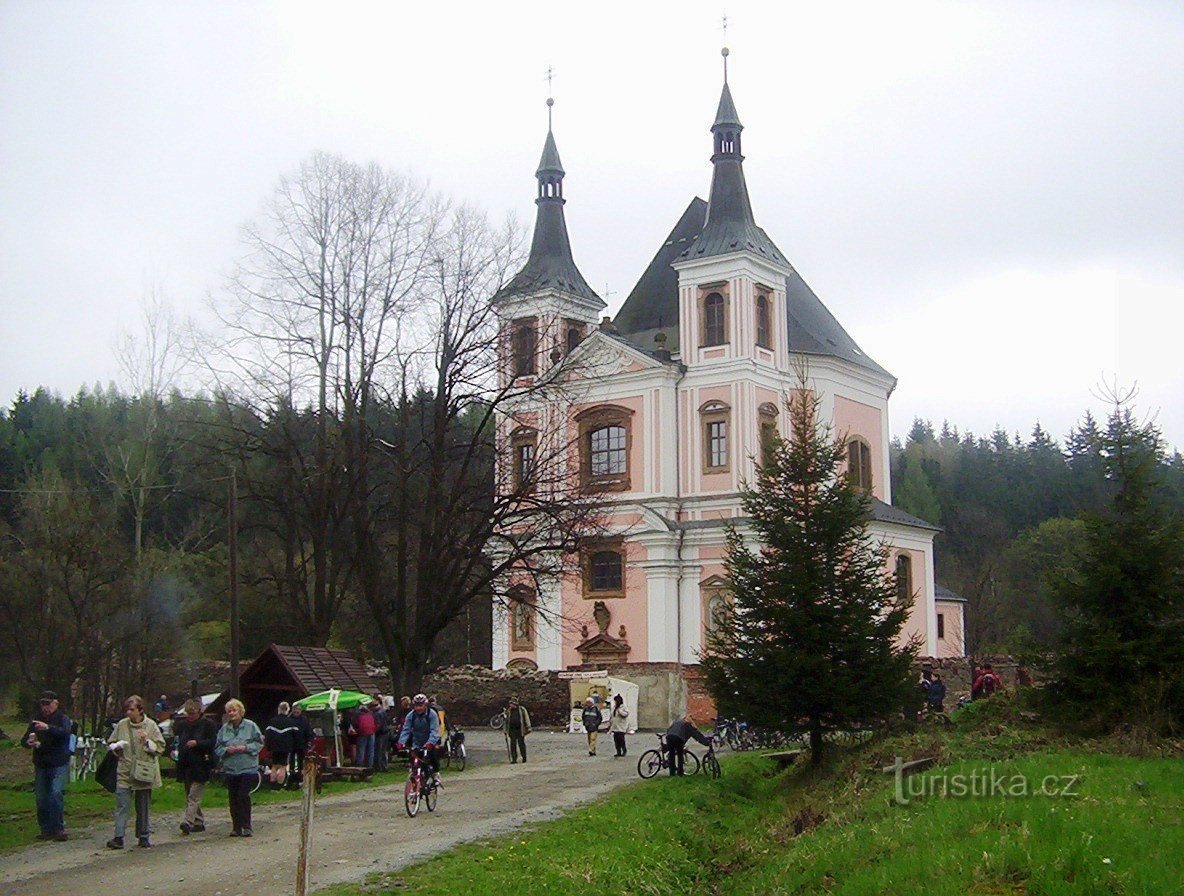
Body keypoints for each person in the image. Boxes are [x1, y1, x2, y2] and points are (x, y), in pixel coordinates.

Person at [105, 694, 165, 849]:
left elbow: (160, 747)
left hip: (143, 770)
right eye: (127, 710)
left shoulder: (151, 726)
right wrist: (116, 747)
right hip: (124, 770)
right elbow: (111, 742)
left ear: (140, 710)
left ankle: (144, 836)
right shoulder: (121, 725)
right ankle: (119, 837)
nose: (128, 713)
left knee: (143, 806)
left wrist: (147, 742)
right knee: (121, 805)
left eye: (132, 709)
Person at [21, 690, 72, 842]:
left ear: (56, 703)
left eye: (48, 704)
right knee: (41, 798)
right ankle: (45, 829)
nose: (45, 707)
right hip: (41, 763)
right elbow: (23, 740)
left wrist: (48, 728)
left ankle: (58, 828)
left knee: (56, 794)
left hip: (58, 763)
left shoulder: (62, 719)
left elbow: (65, 734)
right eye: (43, 704)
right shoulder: (36, 720)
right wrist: (28, 742)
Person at [215, 698, 263, 837]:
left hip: (247, 767)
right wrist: (226, 750)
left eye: (234, 710)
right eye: (229, 711)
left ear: (241, 711)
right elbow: (217, 747)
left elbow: (259, 743)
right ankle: (236, 827)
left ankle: (247, 826)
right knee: (233, 798)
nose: (232, 713)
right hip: (230, 769)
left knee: (243, 796)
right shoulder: (224, 729)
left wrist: (246, 747)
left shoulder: (251, 726)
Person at [173, 698, 216, 834]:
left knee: (193, 795)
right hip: (186, 764)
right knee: (189, 794)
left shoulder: (208, 725)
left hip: (202, 764)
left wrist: (197, 743)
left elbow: (213, 742)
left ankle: (188, 821)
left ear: (200, 712)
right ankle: (198, 821)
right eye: (188, 713)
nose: (190, 716)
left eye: (193, 714)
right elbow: (176, 740)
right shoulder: (182, 725)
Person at [397, 693, 441, 787]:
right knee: (414, 759)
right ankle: (415, 780)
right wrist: (401, 742)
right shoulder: (411, 715)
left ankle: (436, 774)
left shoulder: (431, 714)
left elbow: (434, 730)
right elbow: (406, 729)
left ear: (425, 705)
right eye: (417, 706)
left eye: (421, 705)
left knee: (432, 756)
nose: (419, 708)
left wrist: (430, 742)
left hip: (430, 739)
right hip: (417, 741)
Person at [264, 702, 297, 786]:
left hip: (274, 747)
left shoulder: (272, 721)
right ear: (288, 709)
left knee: (274, 766)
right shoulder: (291, 722)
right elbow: (295, 736)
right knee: (283, 766)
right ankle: (279, 785)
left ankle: (272, 784)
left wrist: (268, 747)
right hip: (286, 747)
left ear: (279, 709)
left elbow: (267, 735)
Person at [289, 703, 315, 783]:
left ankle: (300, 776)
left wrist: (310, 739)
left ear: (300, 711)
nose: (297, 711)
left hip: (301, 743)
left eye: (298, 710)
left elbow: (308, 730)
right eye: (295, 710)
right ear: (292, 710)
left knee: (301, 760)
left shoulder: (304, 720)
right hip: (291, 743)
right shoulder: (289, 719)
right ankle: (291, 775)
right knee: (291, 760)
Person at [504, 695, 532, 764]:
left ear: (515, 704)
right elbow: (506, 721)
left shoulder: (522, 710)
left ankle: (524, 757)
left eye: (511, 704)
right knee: (512, 745)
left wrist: (528, 727)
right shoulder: (509, 711)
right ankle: (514, 759)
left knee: (521, 744)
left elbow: (526, 718)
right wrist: (505, 730)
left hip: (520, 729)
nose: (510, 705)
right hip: (512, 730)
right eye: (510, 704)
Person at [353, 700, 377, 768]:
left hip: (362, 733)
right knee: (371, 750)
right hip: (371, 732)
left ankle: (359, 766)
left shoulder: (358, 714)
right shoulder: (371, 713)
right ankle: (369, 766)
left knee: (361, 750)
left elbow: (355, 723)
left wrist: (356, 730)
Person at [372, 698, 390, 772]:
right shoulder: (383, 711)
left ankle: (379, 767)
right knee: (383, 751)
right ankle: (384, 766)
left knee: (379, 751)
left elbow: (378, 725)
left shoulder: (377, 713)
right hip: (386, 732)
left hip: (380, 734)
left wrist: (374, 731)